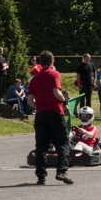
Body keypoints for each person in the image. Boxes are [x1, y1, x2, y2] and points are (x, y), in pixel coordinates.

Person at [27, 50, 73, 185]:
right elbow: (56, 92)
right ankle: (61, 171)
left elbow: (30, 101)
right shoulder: (54, 74)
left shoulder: (34, 79)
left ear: (40, 63)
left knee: (41, 147)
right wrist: (64, 101)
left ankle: (41, 176)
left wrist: (40, 107)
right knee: (62, 144)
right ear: (52, 62)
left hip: (41, 114)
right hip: (55, 113)